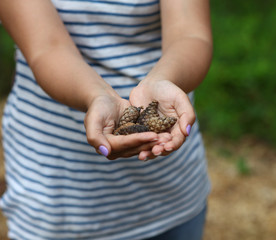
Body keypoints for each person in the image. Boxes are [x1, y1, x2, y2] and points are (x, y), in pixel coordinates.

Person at [0, 0, 212, 239]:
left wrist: (164, 79)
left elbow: (191, 34)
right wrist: (96, 96)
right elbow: (46, 48)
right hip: (56, 193)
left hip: (171, 191)